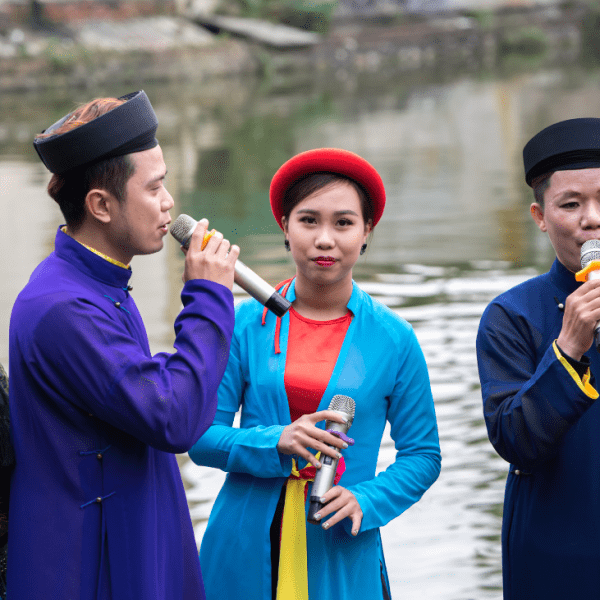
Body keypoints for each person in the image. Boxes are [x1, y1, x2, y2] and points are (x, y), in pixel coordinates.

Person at [8, 91, 239, 599]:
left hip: (130, 533)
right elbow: (175, 418)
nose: (169, 202)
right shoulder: (62, 307)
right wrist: (206, 297)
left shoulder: (101, 284)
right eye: (154, 187)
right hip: (86, 564)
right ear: (101, 205)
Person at [189, 148, 441, 600]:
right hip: (244, 540)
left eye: (343, 223)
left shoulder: (394, 339)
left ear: (367, 232)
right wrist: (275, 441)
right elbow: (201, 436)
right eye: (309, 221)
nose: (325, 239)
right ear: (285, 228)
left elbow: (422, 455)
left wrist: (368, 499)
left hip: (341, 545)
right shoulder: (245, 325)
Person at [476, 118, 600, 599]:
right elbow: (515, 441)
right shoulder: (512, 316)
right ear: (540, 216)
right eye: (571, 204)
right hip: (555, 552)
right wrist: (569, 348)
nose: (592, 218)